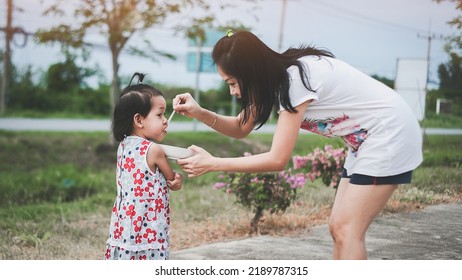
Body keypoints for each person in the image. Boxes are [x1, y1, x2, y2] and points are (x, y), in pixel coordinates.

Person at [172, 31, 423, 260]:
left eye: (233, 83)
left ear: (251, 73)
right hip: (363, 142)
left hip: (388, 134)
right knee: (338, 228)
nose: (232, 92)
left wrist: (214, 163)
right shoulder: (274, 79)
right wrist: (198, 112)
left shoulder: (294, 81)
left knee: (347, 230)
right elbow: (241, 127)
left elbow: (277, 159)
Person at [105, 73, 183, 260]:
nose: (165, 120)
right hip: (148, 230)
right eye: (159, 114)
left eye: (165, 114)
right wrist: (178, 180)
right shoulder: (154, 150)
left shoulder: (124, 146)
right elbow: (172, 179)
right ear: (139, 120)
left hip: (123, 227)